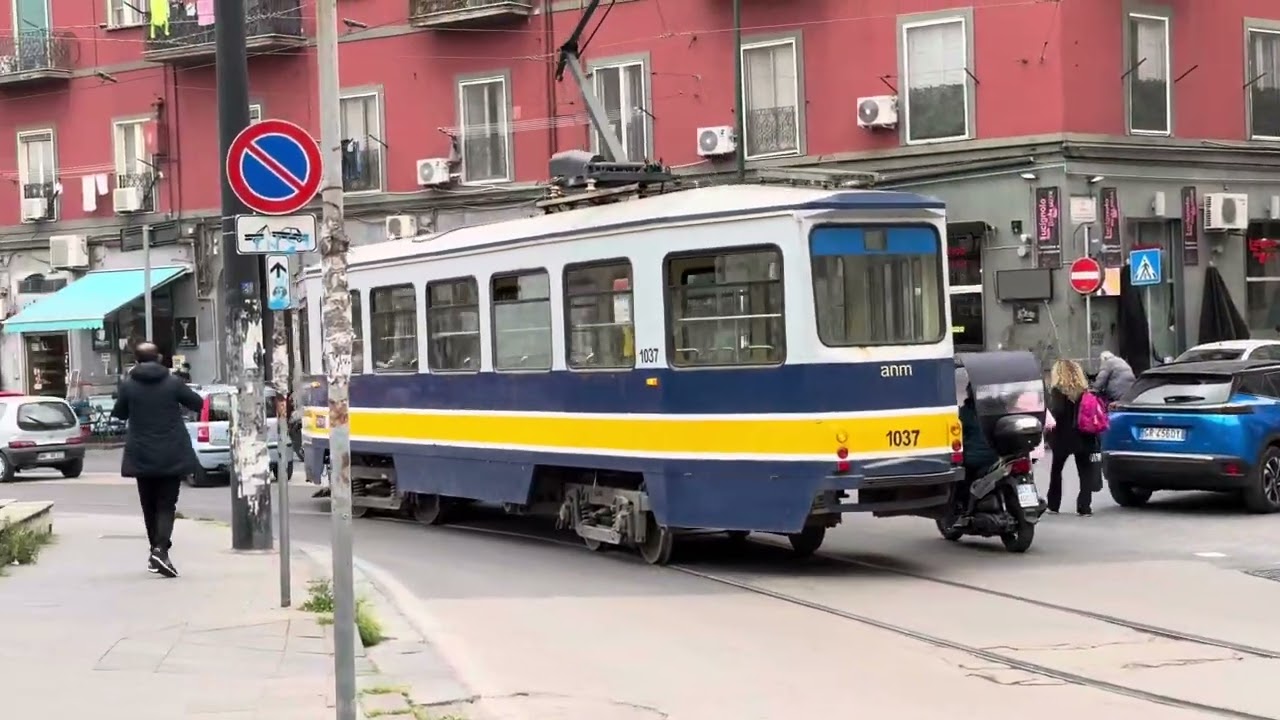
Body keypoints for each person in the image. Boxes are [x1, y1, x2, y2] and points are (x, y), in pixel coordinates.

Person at [111, 341, 204, 577]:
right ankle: (160, 550)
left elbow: (120, 413)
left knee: (149, 505)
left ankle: (156, 551)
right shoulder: (173, 383)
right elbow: (197, 402)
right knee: (166, 505)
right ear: (160, 358)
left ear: (136, 360)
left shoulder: (128, 385)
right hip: (171, 452)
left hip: (141, 454)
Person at [1046, 358, 1101, 516]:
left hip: (1062, 436)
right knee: (1085, 471)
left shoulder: (1057, 391)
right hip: (1084, 434)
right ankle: (1084, 507)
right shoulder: (1084, 391)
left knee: (1056, 470)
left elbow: (1057, 412)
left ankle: (1054, 504)